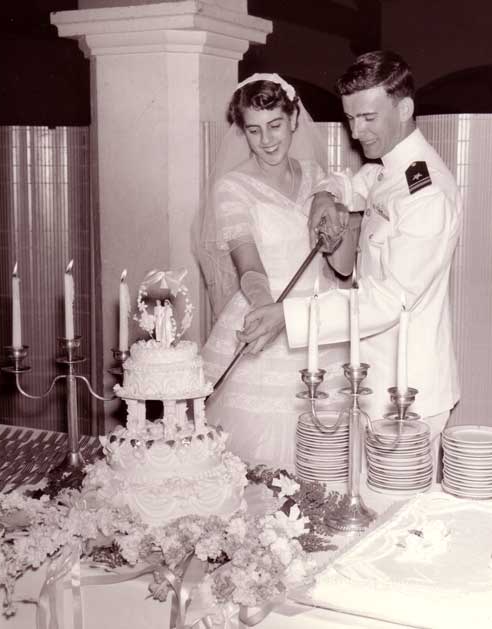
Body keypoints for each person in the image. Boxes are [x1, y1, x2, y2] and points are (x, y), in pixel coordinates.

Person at [238, 52, 462, 471]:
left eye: (368, 118)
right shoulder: (392, 169)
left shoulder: (426, 193)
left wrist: (289, 316)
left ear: (404, 109)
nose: (356, 132)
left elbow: (388, 300)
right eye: (350, 118)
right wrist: (325, 195)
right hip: (374, 380)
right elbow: (352, 182)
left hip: (407, 393)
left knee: (397, 508)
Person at [196, 73, 360, 471]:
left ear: (293, 119)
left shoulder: (319, 178)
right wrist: (268, 313)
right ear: (242, 131)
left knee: (328, 457)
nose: (267, 140)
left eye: (275, 126)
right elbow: (249, 266)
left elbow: (342, 266)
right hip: (265, 307)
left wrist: (342, 226)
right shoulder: (232, 187)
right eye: (254, 130)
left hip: (321, 321)